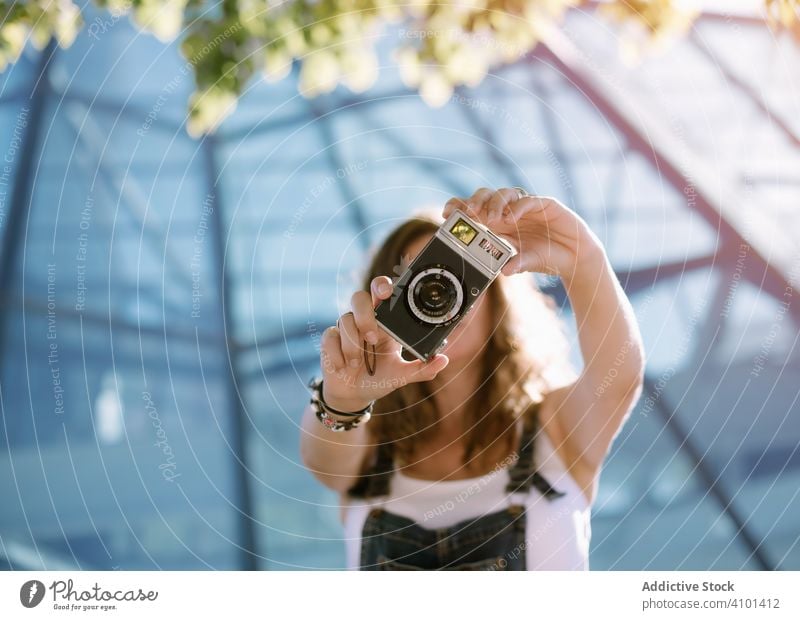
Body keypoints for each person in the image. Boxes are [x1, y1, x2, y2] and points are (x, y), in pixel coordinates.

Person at [300, 187, 645, 570]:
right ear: (384, 302)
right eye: (421, 280)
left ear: (497, 294)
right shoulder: (368, 441)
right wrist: (345, 401)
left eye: (457, 276)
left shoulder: (554, 425)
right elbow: (322, 464)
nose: (440, 293)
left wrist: (582, 258)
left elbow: (618, 379)